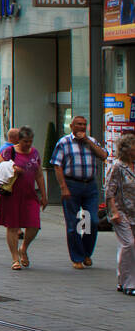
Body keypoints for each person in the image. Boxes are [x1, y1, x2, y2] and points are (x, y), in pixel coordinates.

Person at [50, 115, 106, 271]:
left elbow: (104, 156)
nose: (82, 127)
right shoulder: (64, 143)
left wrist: (87, 141)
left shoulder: (92, 142)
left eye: (84, 125)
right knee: (74, 223)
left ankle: (86, 253)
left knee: (91, 221)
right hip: (72, 185)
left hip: (90, 186)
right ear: (71, 126)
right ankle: (77, 257)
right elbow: (57, 166)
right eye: (79, 124)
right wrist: (63, 187)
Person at [0, 125, 48, 271]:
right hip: (12, 195)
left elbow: (39, 174)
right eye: (25, 142)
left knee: (34, 225)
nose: (28, 144)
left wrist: (44, 194)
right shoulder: (9, 151)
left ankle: (24, 248)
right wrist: (11, 167)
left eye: (30, 141)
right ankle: (15, 258)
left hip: (30, 195)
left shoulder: (35, 153)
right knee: (13, 226)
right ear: (19, 140)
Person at [104, 132, 135, 295]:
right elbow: (109, 191)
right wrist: (114, 211)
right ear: (126, 149)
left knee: (127, 247)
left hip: (134, 213)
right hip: (121, 212)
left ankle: (121, 279)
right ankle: (129, 284)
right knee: (129, 244)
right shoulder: (117, 166)